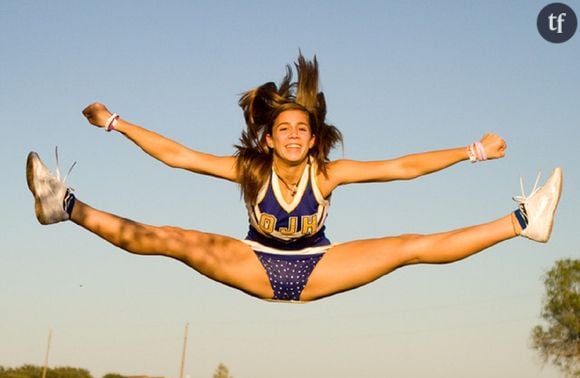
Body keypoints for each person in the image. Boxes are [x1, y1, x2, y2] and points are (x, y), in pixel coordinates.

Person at [26, 54, 563, 302]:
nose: (291, 135)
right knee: (171, 239)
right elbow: (178, 157)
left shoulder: (327, 174)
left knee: (409, 246)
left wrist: (472, 151)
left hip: (318, 265)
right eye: (283, 127)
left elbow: (403, 167)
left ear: (312, 139)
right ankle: (63, 205)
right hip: (255, 264)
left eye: (301, 129)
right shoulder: (249, 169)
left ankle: (524, 221)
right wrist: (114, 123)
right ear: (268, 138)